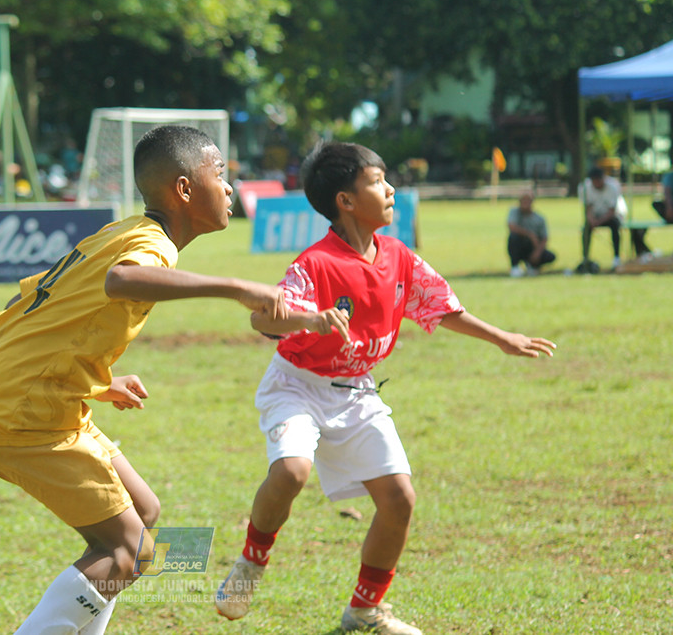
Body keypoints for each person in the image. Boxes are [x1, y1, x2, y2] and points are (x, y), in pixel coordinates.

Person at [0, 125, 288, 635]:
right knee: (129, 550)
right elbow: (121, 282)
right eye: (219, 174)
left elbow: (28, 304)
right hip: (24, 409)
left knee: (143, 512)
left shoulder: (124, 230)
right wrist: (236, 286)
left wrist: (96, 379)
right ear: (183, 190)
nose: (228, 187)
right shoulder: (151, 246)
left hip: (28, 393)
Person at [214, 141, 555, 634]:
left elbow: (443, 308)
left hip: (357, 391)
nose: (391, 189)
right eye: (377, 181)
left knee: (400, 500)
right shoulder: (315, 264)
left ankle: (365, 611)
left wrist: (503, 338)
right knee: (291, 472)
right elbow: (263, 319)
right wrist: (311, 318)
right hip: (298, 387)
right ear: (345, 201)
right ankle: (251, 562)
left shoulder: (399, 257)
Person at [578, 167, 649, 268]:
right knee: (586, 227)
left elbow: (612, 211)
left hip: (612, 215)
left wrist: (599, 221)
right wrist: (592, 220)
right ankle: (585, 257)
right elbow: (587, 207)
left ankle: (616, 257)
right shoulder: (585, 187)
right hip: (596, 215)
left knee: (615, 225)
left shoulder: (612, 186)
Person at [507, 190, 556, 277]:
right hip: (519, 245)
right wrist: (530, 235)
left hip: (532, 247)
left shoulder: (539, 218)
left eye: (527, 200)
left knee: (550, 256)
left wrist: (537, 252)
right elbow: (511, 226)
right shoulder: (514, 212)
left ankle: (532, 265)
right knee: (513, 237)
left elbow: (544, 238)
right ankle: (515, 267)